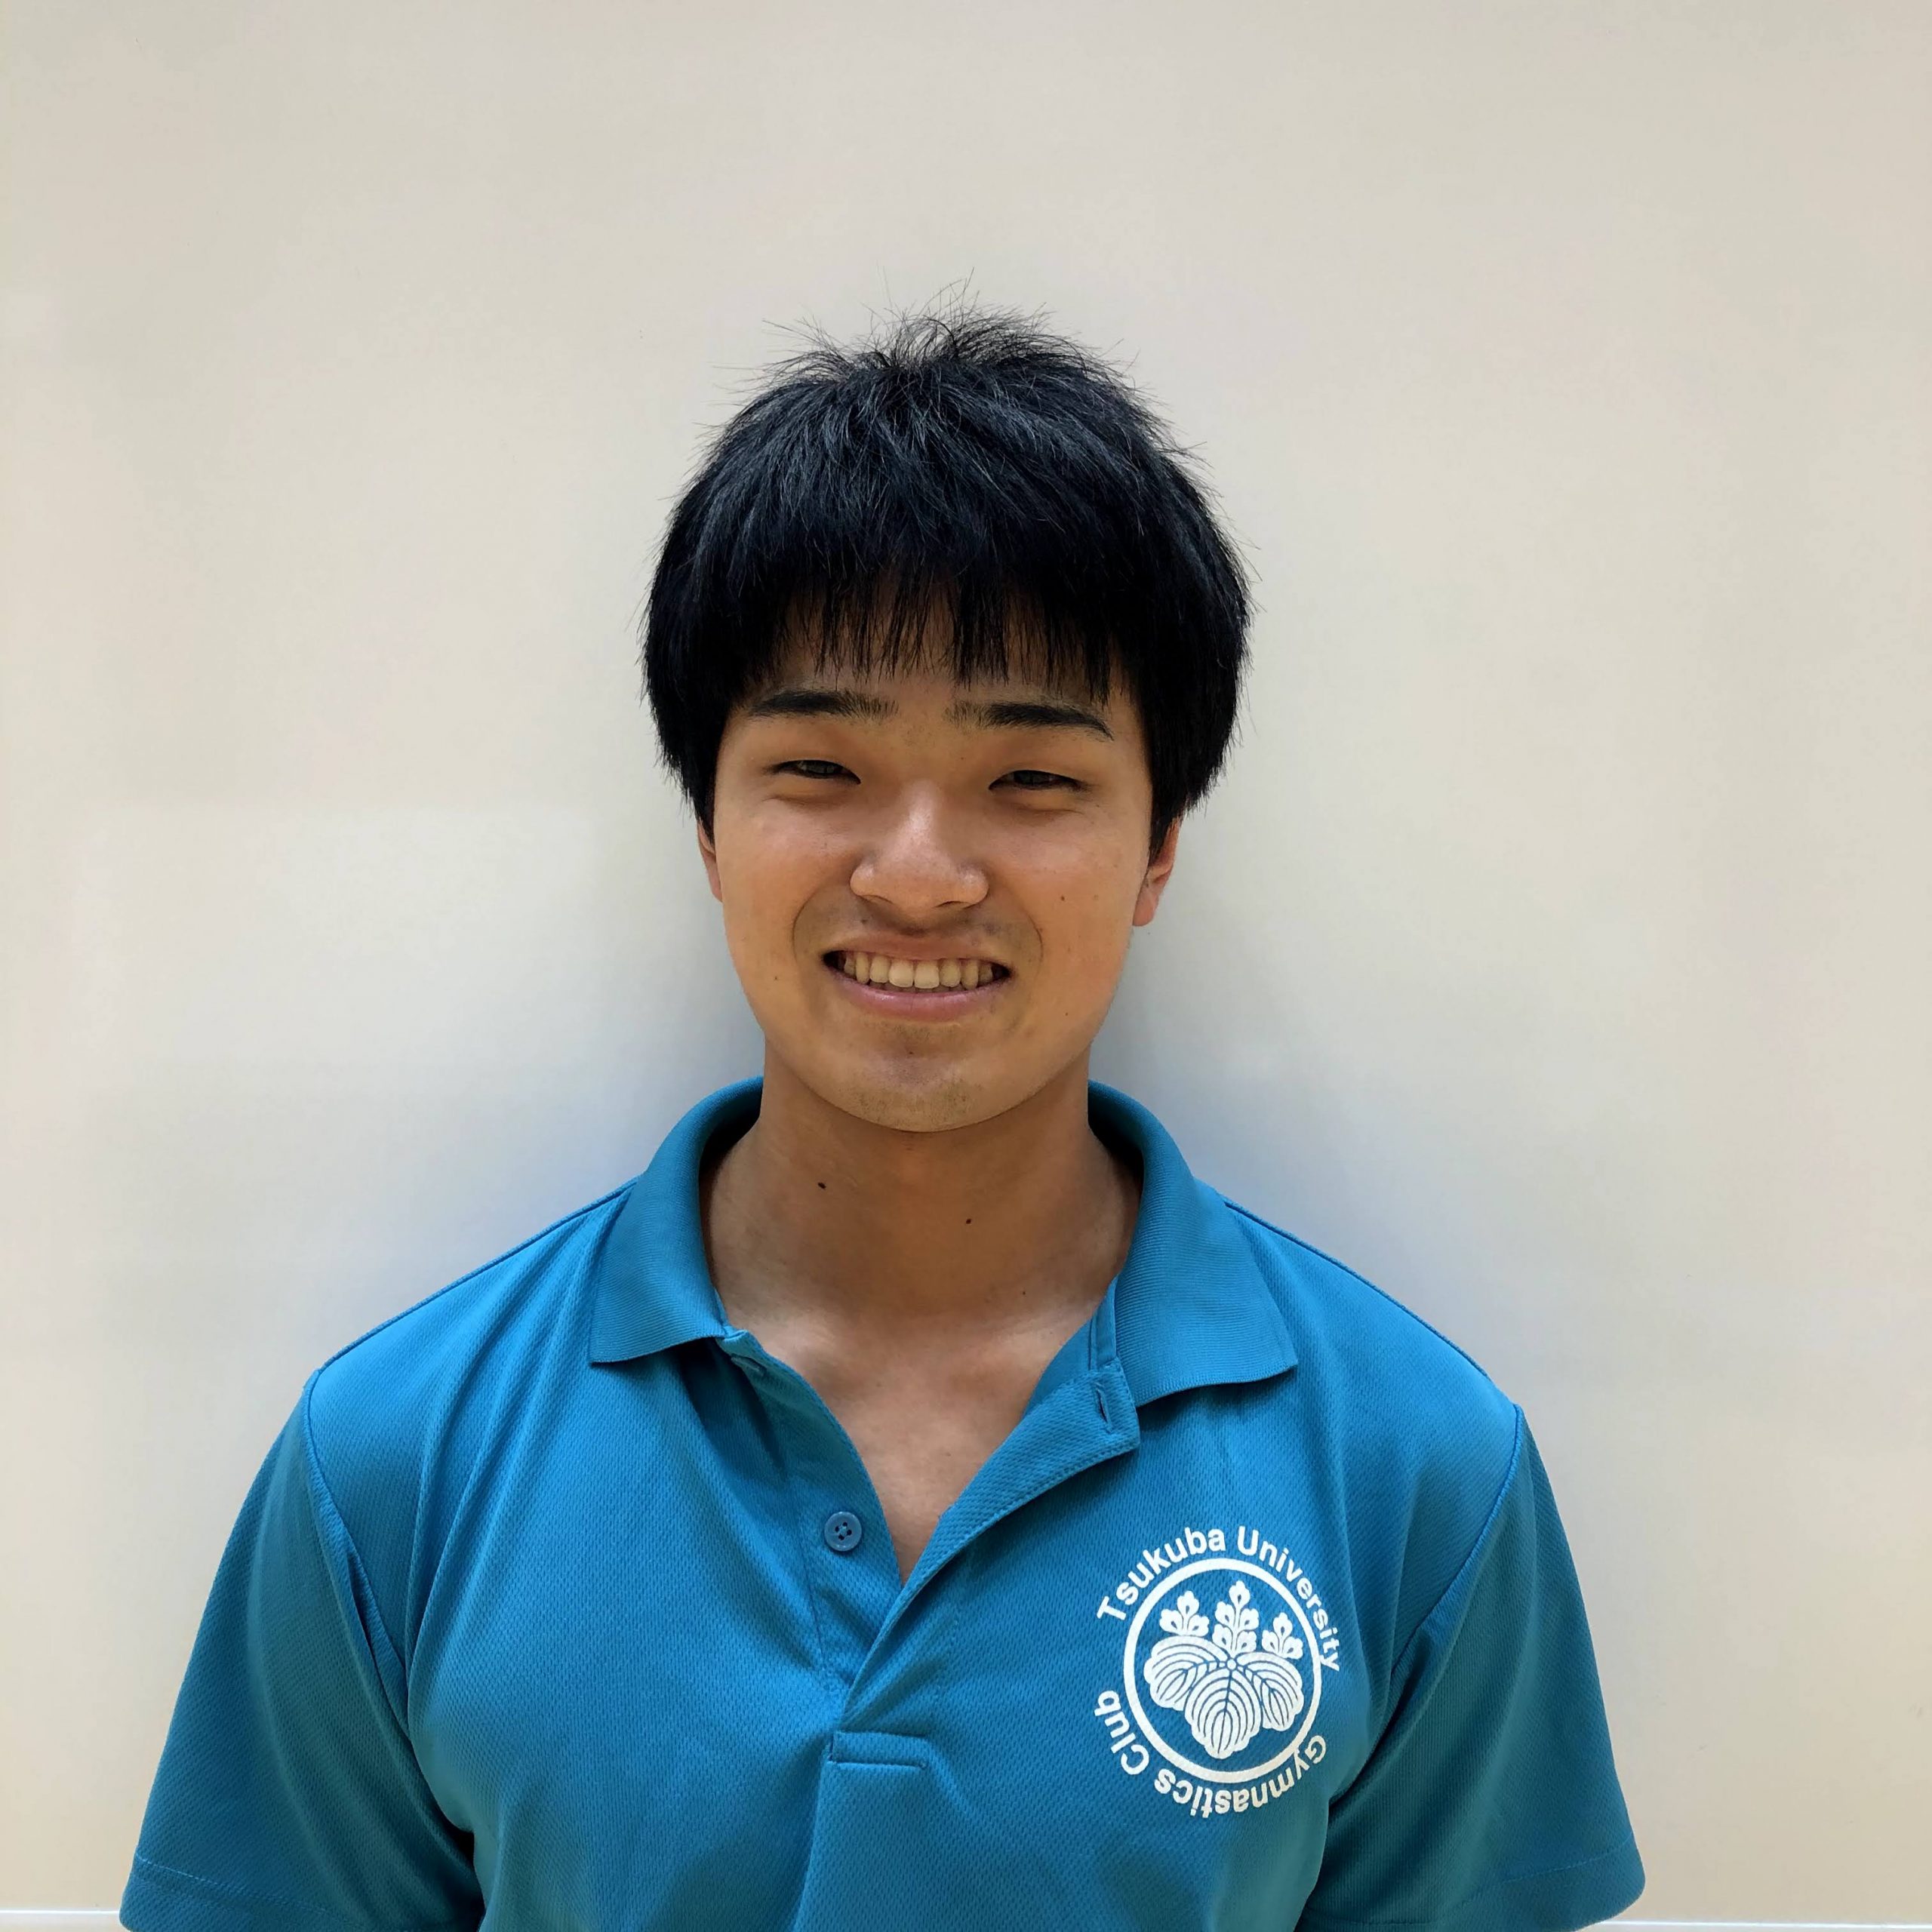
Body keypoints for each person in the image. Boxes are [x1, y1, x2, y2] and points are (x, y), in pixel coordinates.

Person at [121, 305, 1645, 1932]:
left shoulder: (1411, 1465)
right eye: (820, 767)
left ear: (1157, 847)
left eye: (1032, 779)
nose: (918, 873)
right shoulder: (396, 1457)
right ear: (709, 825)